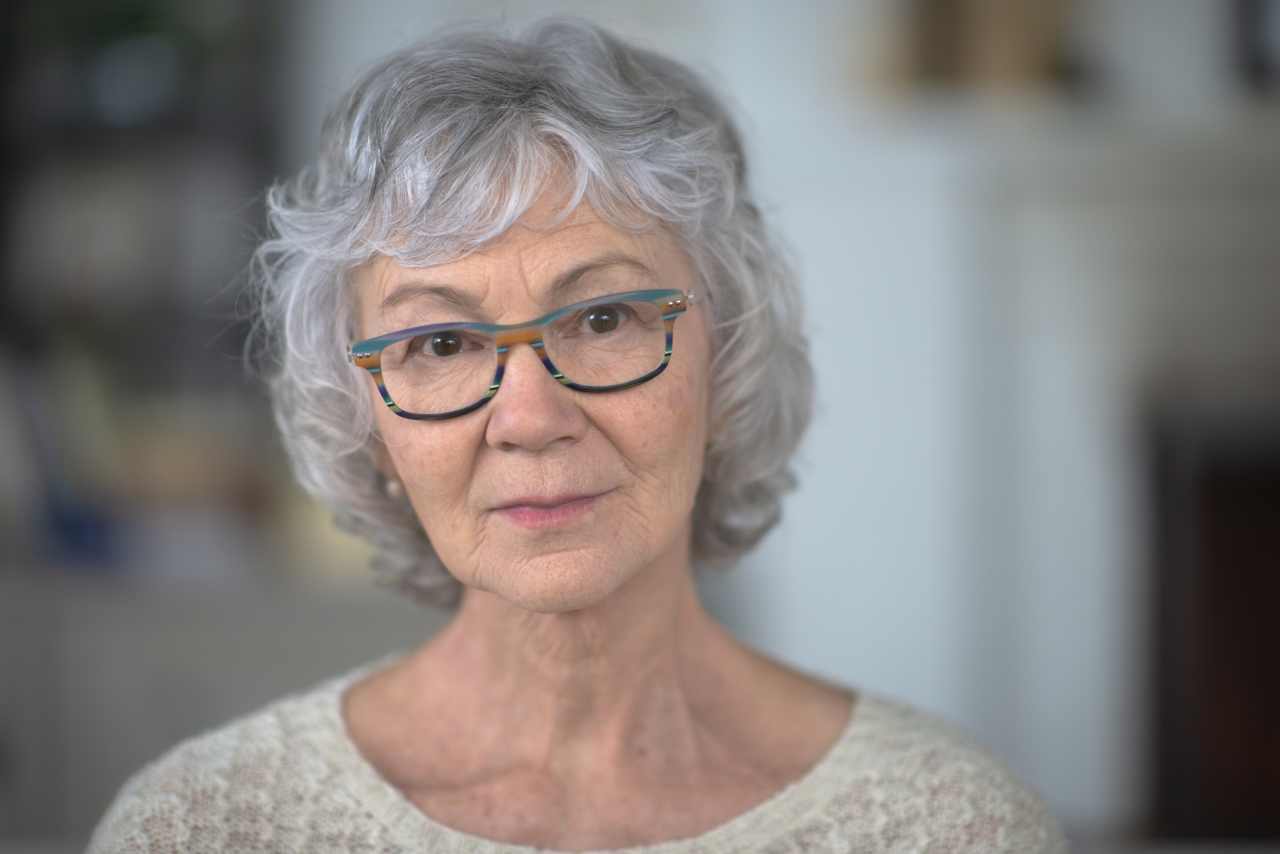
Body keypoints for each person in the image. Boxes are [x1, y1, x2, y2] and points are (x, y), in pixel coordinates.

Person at [89, 16, 1068, 853]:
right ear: (367, 424)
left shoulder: (948, 825)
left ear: (726, 362)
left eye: (603, 319)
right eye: (440, 341)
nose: (528, 417)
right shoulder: (207, 825)